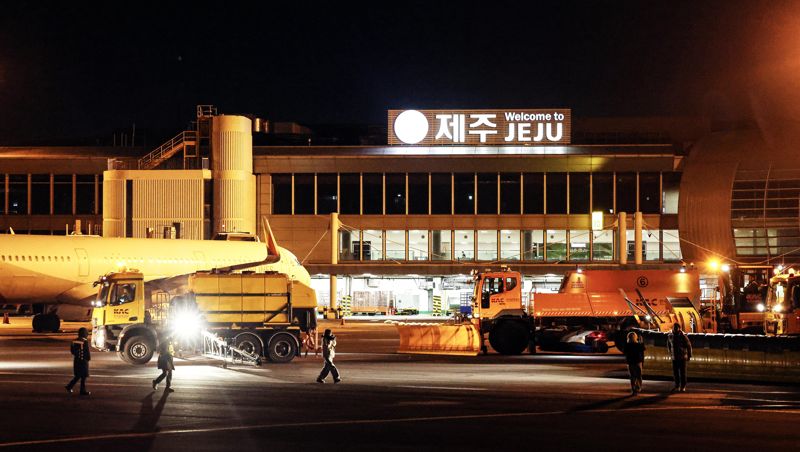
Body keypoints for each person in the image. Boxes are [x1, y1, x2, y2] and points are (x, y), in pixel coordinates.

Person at [667, 323, 692, 392]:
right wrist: (670, 353)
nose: (674, 329)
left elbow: (689, 346)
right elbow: (668, 345)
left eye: (676, 328)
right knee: (675, 373)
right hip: (674, 357)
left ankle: (683, 386)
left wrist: (689, 355)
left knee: (682, 373)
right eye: (674, 327)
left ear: (679, 328)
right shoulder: (670, 336)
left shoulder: (683, 336)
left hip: (682, 357)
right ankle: (677, 386)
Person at [66, 327, 91, 396]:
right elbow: (87, 352)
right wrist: (88, 359)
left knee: (78, 375)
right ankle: (81, 390)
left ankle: (70, 386)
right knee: (83, 376)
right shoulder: (84, 341)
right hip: (83, 361)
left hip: (76, 360)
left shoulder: (73, 341)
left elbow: (72, 351)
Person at [623, 331, 645, 395]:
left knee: (632, 376)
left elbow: (624, 351)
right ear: (635, 337)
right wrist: (641, 342)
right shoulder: (638, 344)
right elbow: (643, 349)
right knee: (639, 376)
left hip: (630, 362)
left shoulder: (627, 345)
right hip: (638, 362)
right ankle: (638, 388)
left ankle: (633, 389)